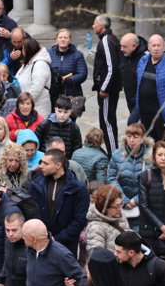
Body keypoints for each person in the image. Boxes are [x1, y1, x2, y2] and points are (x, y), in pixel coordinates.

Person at [30, 149, 90, 256]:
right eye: (41, 162)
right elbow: (30, 211)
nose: (41, 166)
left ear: (58, 165)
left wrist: (56, 238)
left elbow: (79, 220)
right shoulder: (36, 184)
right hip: (39, 243)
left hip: (66, 248)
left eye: (45, 163)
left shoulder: (77, 189)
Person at [132, 34, 165, 147]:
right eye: (153, 45)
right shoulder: (143, 61)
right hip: (145, 114)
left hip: (162, 115)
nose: (156, 48)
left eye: (159, 45)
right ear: (148, 47)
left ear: (163, 47)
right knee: (149, 145)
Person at [136, 141, 165, 260]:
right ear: (154, 156)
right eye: (160, 155)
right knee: (150, 264)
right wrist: (161, 227)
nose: (163, 158)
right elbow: (143, 205)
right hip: (150, 230)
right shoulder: (145, 176)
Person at [107, 124, 150, 232]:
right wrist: (124, 200)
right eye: (129, 136)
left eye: (135, 137)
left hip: (143, 207)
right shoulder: (117, 155)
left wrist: (136, 200)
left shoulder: (150, 156)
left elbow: (152, 182)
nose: (131, 140)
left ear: (142, 139)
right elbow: (112, 179)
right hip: (121, 206)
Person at [91, 16, 122, 153]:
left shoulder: (106, 41)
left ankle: (114, 155)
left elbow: (112, 68)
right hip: (107, 88)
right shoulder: (108, 39)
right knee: (106, 122)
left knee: (108, 123)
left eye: (95, 23)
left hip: (107, 91)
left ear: (101, 26)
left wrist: (104, 88)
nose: (93, 26)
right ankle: (112, 152)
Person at [84, 184, 130, 254]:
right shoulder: (96, 228)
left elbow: (128, 233)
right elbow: (97, 256)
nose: (120, 209)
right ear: (106, 208)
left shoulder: (120, 216)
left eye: (121, 204)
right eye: (117, 206)